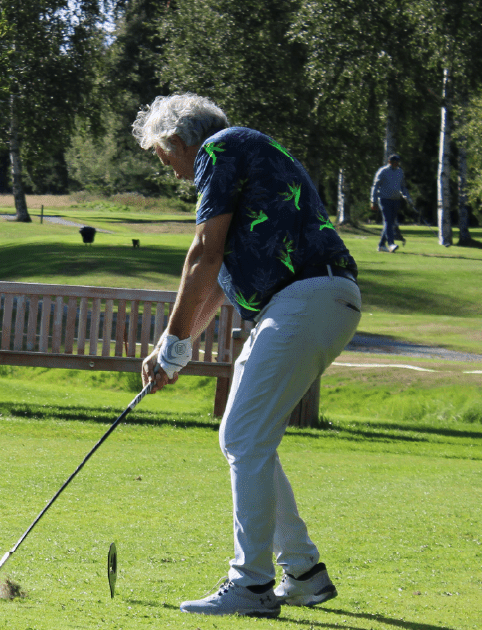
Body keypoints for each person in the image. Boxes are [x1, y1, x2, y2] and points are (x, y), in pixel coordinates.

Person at [132, 93, 361, 618]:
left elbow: (203, 253)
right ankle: (302, 573)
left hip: (305, 298)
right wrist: (176, 349)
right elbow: (217, 279)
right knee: (244, 437)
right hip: (314, 299)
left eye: (165, 158)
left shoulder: (219, 149)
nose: (173, 173)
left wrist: (171, 341)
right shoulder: (243, 157)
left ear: (178, 140)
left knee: (243, 436)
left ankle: (251, 584)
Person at [372, 154, 411, 252]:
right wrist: (373, 200)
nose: (397, 163)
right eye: (395, 162)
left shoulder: (400, 171)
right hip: (384, 199)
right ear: (389, 162)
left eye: (398, 162)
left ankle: (381, 245)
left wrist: (407, 196)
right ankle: (391, 244)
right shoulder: (383, 171)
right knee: (388, 221)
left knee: (390, 223)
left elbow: (403, 186)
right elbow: (375, 186)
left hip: (396, 199)